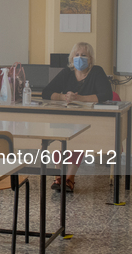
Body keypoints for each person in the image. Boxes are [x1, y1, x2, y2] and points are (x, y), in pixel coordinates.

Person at [42, 42, 113, 192]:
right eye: (77, 55)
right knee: (57, 135)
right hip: (66, 118)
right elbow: (46, 92)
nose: (80, 58)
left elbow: (107, 95)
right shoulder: (67, 73)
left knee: (77, 138)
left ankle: (69, 178)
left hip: (90, 121)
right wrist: (63, 97)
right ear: (72, 58)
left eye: (84, 55)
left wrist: (80, 98)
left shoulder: (96, 72)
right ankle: (58, 177)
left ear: (91, 59)